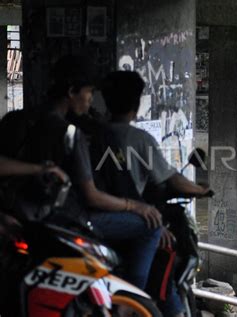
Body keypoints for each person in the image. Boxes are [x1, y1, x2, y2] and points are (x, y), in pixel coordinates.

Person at [0, 55, 163, 290]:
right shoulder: (70, 133)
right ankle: (134, 295)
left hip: (13, 216)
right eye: (88, 92)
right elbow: (92, 196)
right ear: (72, 91)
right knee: (152, 227)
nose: (90, 100)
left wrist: (37, 169)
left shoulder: (15, 119)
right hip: (59, 222)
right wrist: (137, 206)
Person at [93, 71, 211, 317]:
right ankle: (133, 300)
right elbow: (170, 178)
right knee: (161, 249)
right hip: (118, 217)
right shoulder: (138, 138)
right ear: (136, 104)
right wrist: (201, 190)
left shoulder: (95, 134)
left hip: (98, 217)